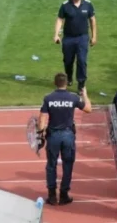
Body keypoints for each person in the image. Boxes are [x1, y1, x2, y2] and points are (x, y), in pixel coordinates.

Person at [36, 73, 92, 206]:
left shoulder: (48, 98)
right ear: (66, 83)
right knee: (68, 165)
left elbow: (42, 119)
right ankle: (63, 194)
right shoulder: (72, 97)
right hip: (68, 136)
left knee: (51, 165)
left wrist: (40, 134)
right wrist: (84, 94)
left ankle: (52, 195)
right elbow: (88, 109)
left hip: (53, 136)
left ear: (55, 83)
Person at [54, 0, 98, 90]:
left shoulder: (87, 4)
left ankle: (81, 83)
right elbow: (60, 19)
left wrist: (94, 36)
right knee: (68, 61)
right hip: (68, 38)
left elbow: (92, 20)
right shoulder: (65, 5)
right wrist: (56, 34)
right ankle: (69, 77)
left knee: (82, 61)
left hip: (82, 38)